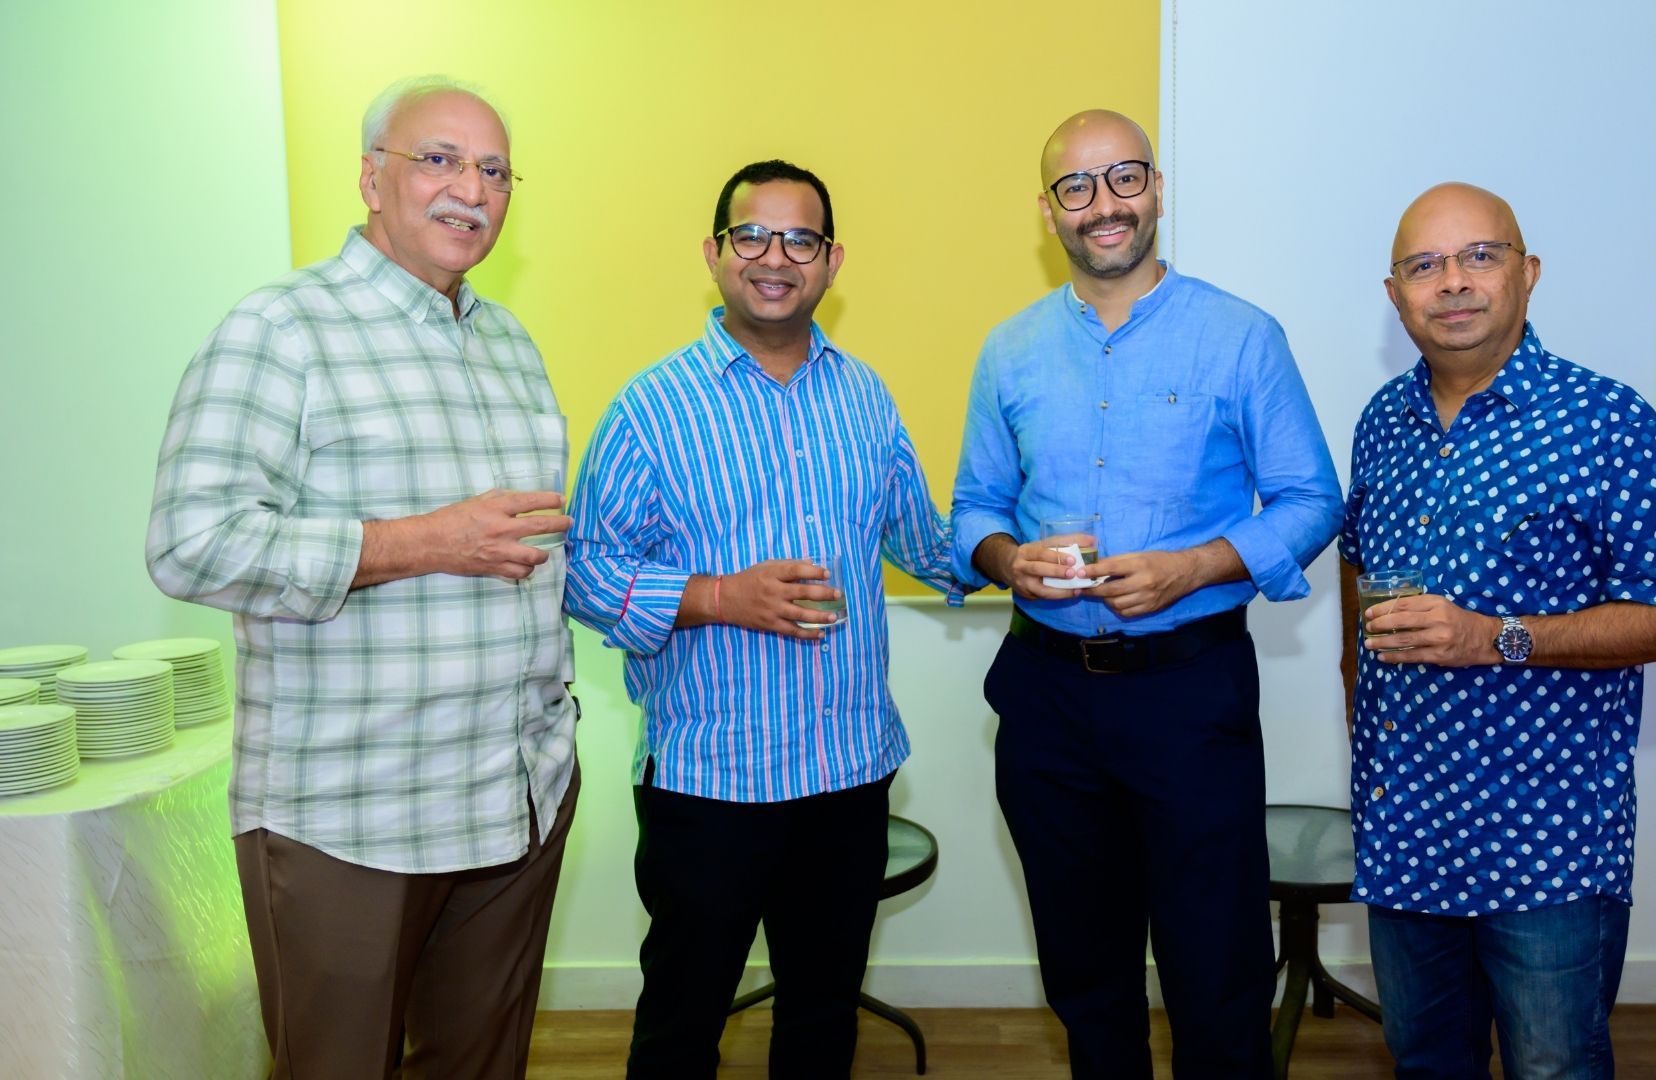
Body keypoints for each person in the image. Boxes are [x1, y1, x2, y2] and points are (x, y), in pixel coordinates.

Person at [145, 76, 576, 1078]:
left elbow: (529, 550)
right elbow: (189, 541)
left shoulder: (508, 343)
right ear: (372, 178)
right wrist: (423, 542)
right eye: (440, 159)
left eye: (496, 170)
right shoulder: (280, 330)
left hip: (515, 795)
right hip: (351, 816)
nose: (472, 187)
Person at [949, 109, 1343, 1078]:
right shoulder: (1009, 350)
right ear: (1048, 211)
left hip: (1189, 696)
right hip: (1047, 700)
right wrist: (1008, 560)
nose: (1104, 204)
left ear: (1157, 189)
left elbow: (1311, 498)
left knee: (1217, 974)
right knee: (1086, 976)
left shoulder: (1241, 336)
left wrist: (1194, 567)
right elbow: (974, 510)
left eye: (1124, 177)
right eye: (1076, 186)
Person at [563, 159, 957, 1078]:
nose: (775, 257)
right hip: (711, 784)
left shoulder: (865, 396)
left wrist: (1018, 554)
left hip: (848, 773)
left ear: (832, 261)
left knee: (821, 1022)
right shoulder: (651, 408)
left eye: (800, 239)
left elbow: (923, 538)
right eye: (752, 235)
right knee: (681, 1027)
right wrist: (717, 596)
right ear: (714, 253)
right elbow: (583, 570)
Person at [1341, 182, 1656, 1079]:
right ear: (1395, 294)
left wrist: (1495, 637)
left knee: (1555, 1068)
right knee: (1425, 1062)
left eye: (1481, 256)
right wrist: (1359, 709)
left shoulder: (1608, 423)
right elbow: (1357, 569)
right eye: (1424, 265)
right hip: (1407, 829)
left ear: (1528, 272)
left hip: (1547, 842)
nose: (1453, 282)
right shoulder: (1383, 423)